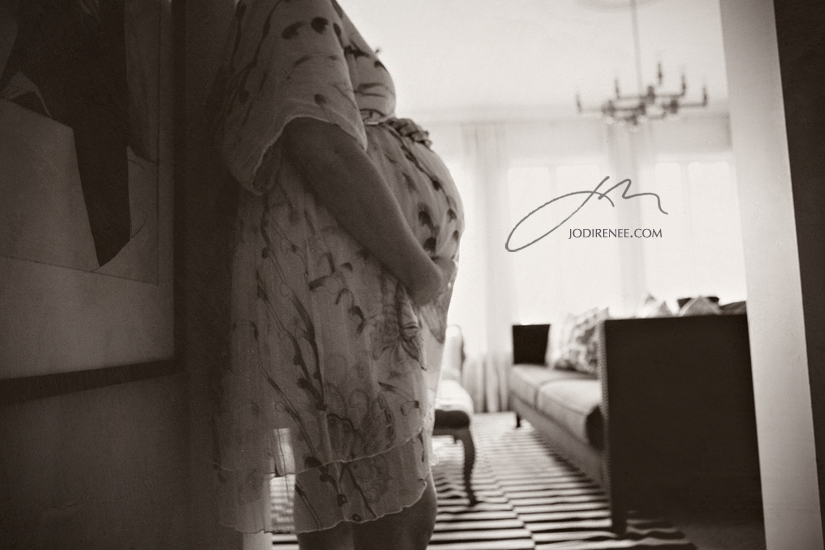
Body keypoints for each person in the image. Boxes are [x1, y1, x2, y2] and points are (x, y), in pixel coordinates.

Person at [208, 0, 464, 549]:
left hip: (347, 286)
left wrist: (387, 132)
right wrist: (421, 274)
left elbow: (325, 120)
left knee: (347, 503)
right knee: (400, 513)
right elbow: (318, 140)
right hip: (347, 290)